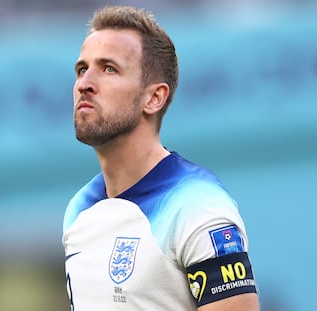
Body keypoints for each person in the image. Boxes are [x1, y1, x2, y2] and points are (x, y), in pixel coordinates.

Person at [62, 5, 259, 311]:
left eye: (109, 68)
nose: (84, 84)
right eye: (81, 69)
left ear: (154, 98)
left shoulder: (197, 206)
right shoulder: (79, 210)